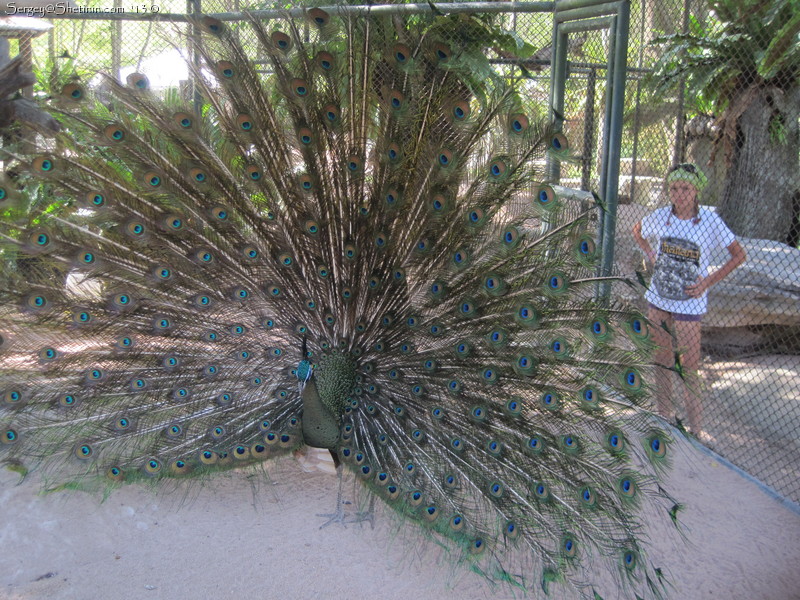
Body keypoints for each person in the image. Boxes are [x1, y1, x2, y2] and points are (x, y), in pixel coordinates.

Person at [632, 163, 746, 442]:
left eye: (685, 188)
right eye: (673, 188)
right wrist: (649, 252)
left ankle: (696, 429)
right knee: (661, 358)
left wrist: (706, 282)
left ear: (696, 191)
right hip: (659, 299)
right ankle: (664, 416)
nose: (679, 194)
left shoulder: (710, 221)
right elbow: (637, 230)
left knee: (689, 366)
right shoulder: (661, 217)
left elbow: (738, 255)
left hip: (690, 304)